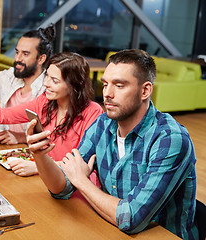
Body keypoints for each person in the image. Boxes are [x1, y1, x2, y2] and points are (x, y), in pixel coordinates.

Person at [25, 49, 198, 239]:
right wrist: (40, 155)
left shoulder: (170, 139)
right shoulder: (103, 123)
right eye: (105, 84)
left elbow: (131, 218)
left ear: (145, 90)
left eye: (119, 85)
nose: (107, 93)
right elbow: (61, 187)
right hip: (110, 230)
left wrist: (81, 181)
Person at [0, 52, 103, 177]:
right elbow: (2, 115)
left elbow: (81, 164)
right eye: (47, 77)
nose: (46, 84)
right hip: (44, 180)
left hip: (70, 187)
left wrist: (37, 168)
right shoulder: (45, 101)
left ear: (74, 85)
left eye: (54, 80)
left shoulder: (93, 112)